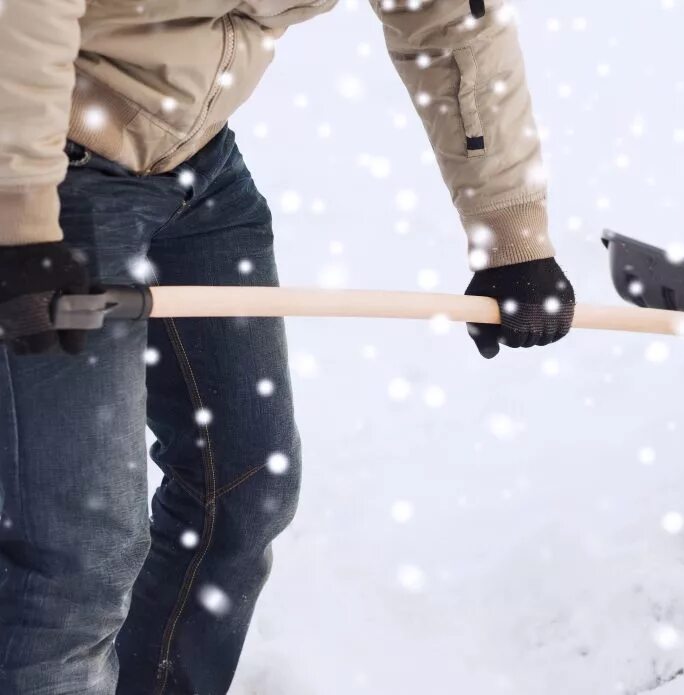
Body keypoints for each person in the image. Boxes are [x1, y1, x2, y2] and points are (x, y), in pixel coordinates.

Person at [0, 1, 574, 692]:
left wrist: (510, 227)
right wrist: (19, 213)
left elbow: (449, 17)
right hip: (46, 154)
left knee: (243, 488)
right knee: (78, 556)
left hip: (196, 160)